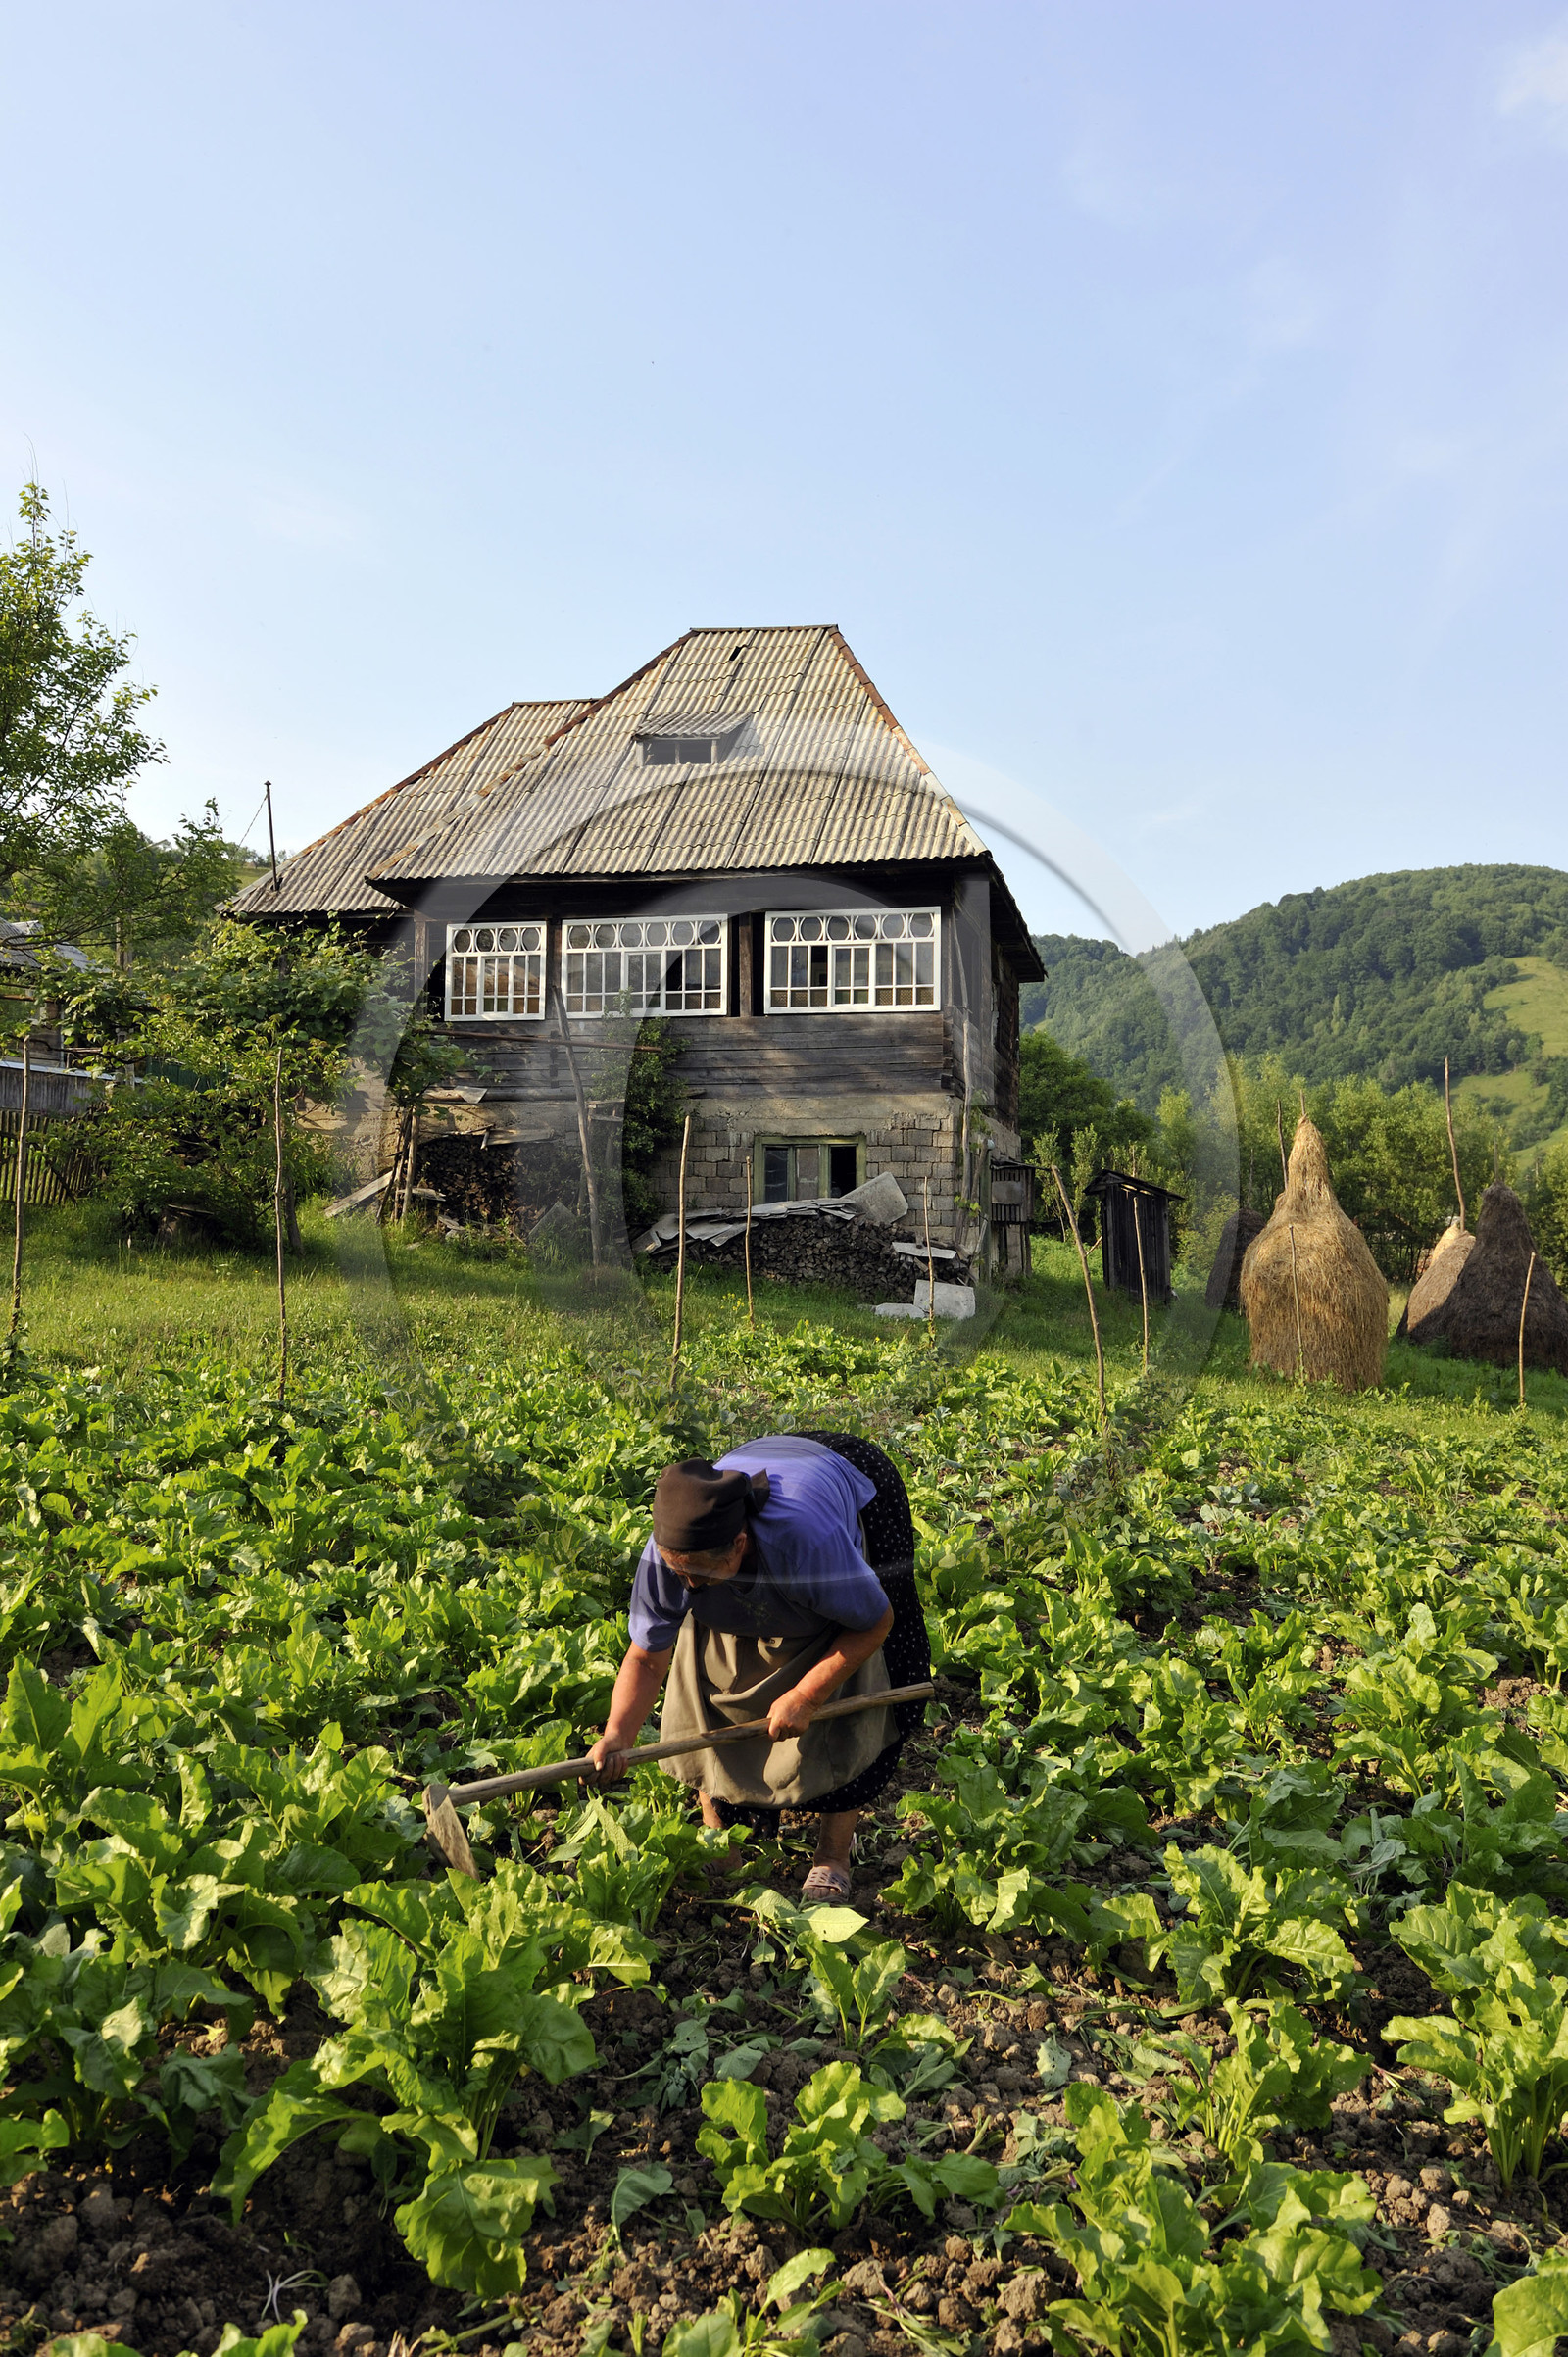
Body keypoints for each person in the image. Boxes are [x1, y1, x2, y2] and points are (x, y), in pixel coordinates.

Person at [587, 1431, 929, 1900]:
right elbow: (647, 1658)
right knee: (705, 1686)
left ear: (740, 1545)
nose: (683, 1584)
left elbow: (873, 1623)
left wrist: (807, 1695)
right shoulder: (671, 1553)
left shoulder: (806, 1542)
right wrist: (617, 1735)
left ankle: (833, 1855)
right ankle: (721, 1842)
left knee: (851, 1698)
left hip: (846, 1479)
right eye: (676, 1571)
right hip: (766, 1480)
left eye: (696, 1575)